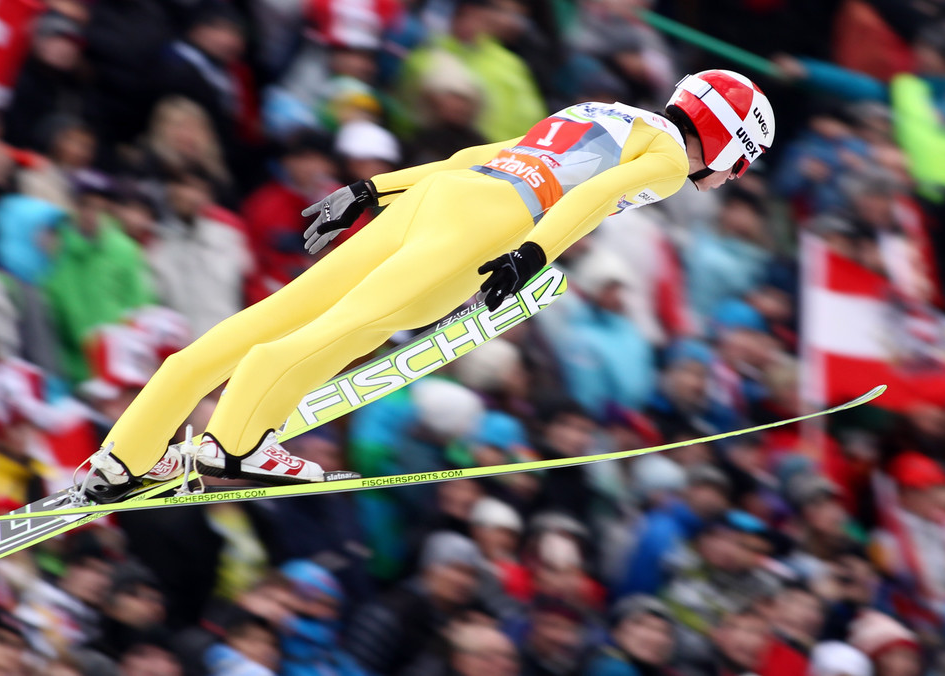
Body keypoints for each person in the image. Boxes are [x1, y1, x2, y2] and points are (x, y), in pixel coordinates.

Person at [79, 69, 776, 503]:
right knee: (351, 327)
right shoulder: (662, 160)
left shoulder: (608, 113)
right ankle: (233, 444)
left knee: (280, 312)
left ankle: (124, 456)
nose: (729, 177)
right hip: (491, 224)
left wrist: (371, 188)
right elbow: (596, 200)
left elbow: (484, 154)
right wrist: (531, 254)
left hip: (448, 193)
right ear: (726, 142)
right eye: (739, 163)